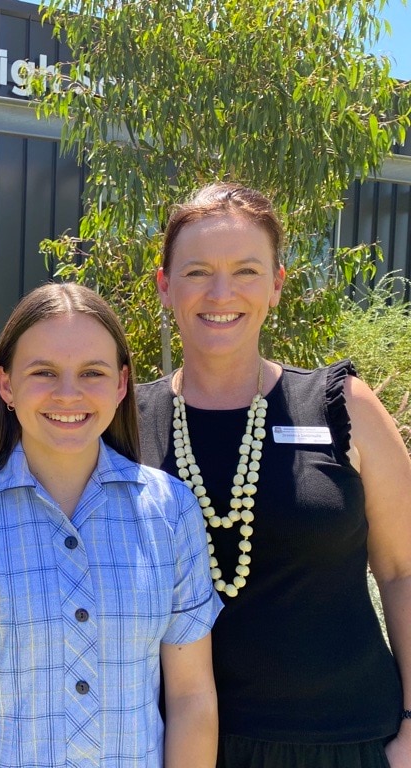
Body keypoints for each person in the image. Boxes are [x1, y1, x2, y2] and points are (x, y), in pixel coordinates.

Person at [137, 182, 411, 768]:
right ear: (164, 286)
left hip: (345, 744)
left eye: (246, 270)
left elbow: (403, 570)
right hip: (177, 745)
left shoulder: (345, 408)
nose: (221, 292)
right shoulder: (124, 424)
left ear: (278, 285)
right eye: (196, 272)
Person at [0, 282, 221, 768]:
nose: (68, 394)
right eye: (44, 372)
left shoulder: (171, 510)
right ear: (6, 385)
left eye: (92, 373)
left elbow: (191, 697)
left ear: (121, 386)